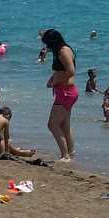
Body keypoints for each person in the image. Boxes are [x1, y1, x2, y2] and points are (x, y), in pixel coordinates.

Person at [43, 28, 78, 162]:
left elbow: (70, 71)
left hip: (66, 92)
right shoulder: (63, 50)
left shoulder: (63, 51)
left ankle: (65, 155)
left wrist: (57, 82)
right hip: (67, 91)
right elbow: (61, 70)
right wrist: (52, 80)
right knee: (64, 125)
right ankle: (70, 152)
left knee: (52, 124)